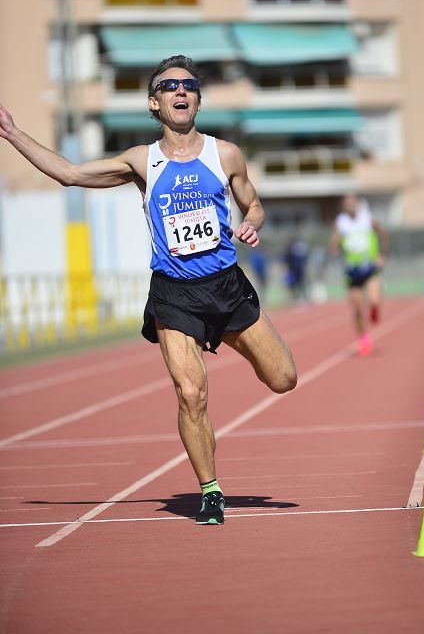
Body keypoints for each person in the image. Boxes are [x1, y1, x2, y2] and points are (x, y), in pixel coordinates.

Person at [0, 55, 297, 525]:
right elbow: (71, 174)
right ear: (154, 103)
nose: (181, 92)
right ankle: (211, 490)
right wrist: (12, 133)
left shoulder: (226, 155)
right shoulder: (143, 161)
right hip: (174, 294)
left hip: (226, 286)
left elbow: (253, 204)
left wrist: (252, 223)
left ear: (197, 99)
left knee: (283, 378)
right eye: (170, 86)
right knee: (190, 392)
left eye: (189, 85)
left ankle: (213, 474)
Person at [328, 194, 389, 356]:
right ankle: (364, 339)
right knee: (357, 309)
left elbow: (384, 235)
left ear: (357, 204)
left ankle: (375, 309)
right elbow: (333, 247)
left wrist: (382, 256)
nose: (350, 206)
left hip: (369, 267)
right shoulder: (341, 222)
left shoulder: (368, 219)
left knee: (374, 300)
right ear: (343, 206)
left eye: (352, 203)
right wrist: (335, 242)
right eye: (347, 204)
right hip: (352, 270)